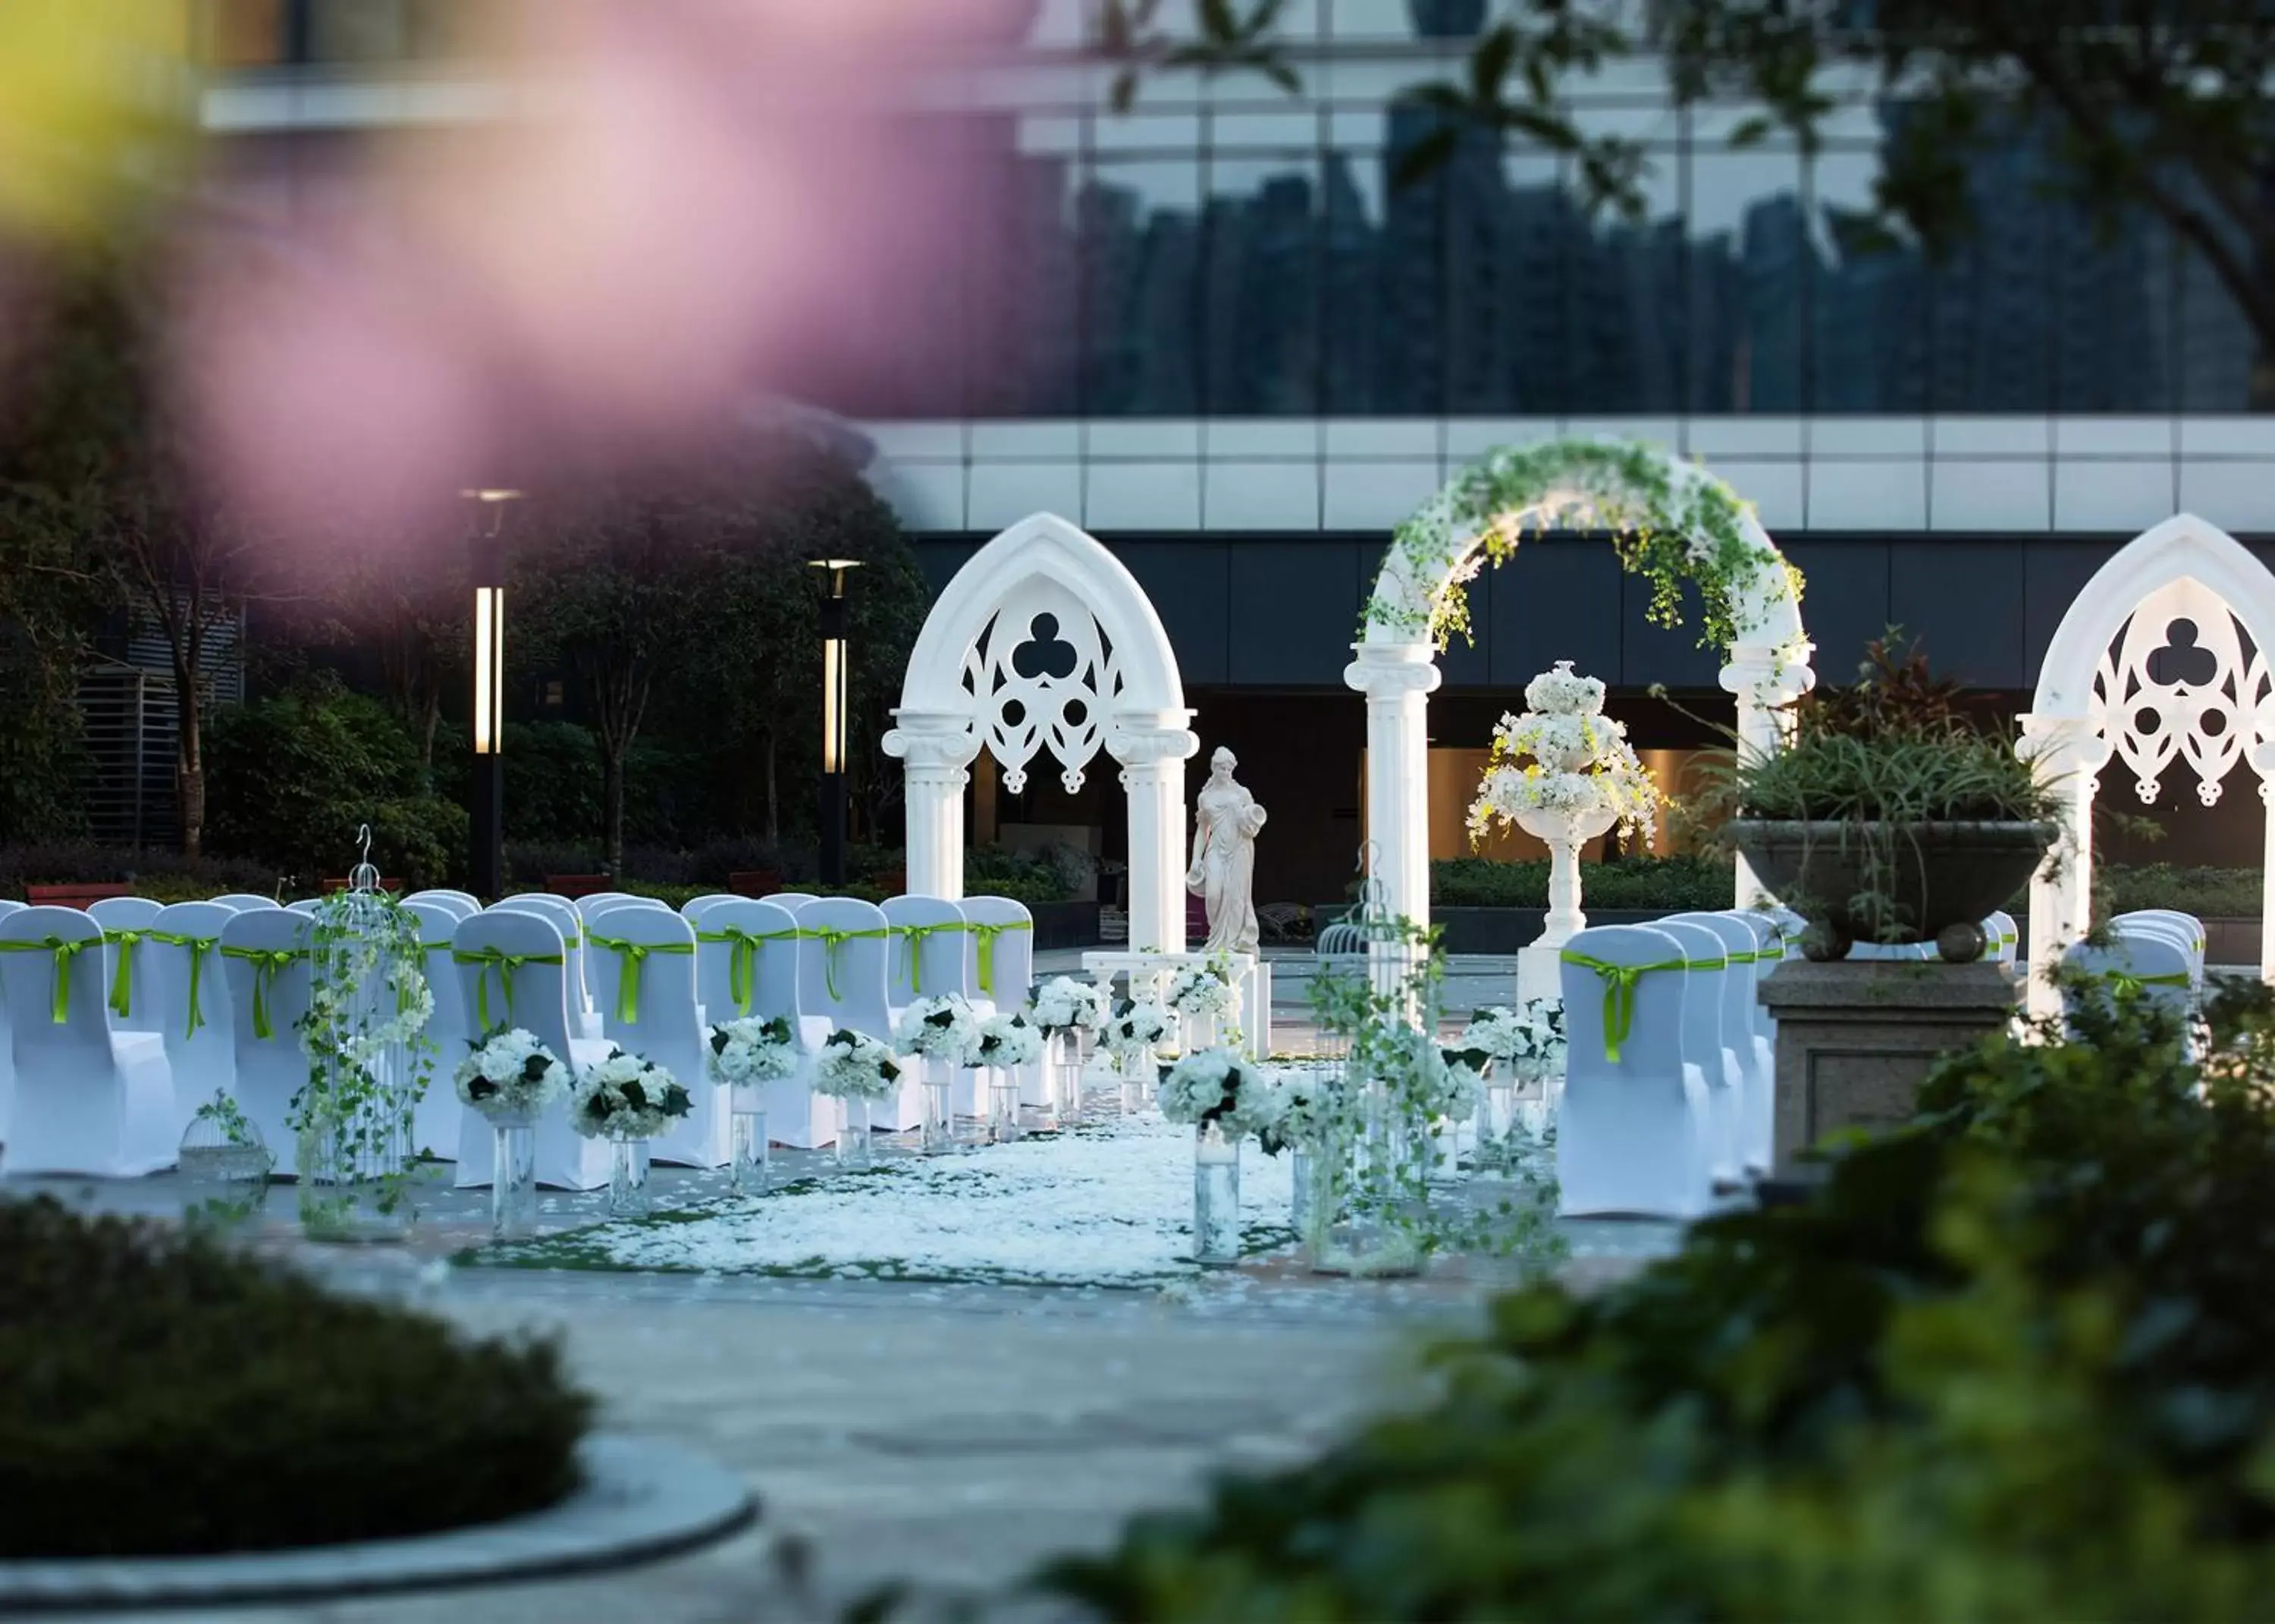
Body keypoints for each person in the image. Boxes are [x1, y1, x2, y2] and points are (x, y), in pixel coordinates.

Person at [1185, 747, 1266, 955]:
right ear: (1214, 768)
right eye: (1222, 767)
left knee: (1236, 896)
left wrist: (1245, 815)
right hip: (1215, 849)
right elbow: (1203, 830)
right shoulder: (1205, 797)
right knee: (1213, 895)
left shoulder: (1242, 793)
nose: (1226, 771)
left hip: (1240, 848)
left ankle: (1232, 944)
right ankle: (1216, 939)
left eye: (1229, 768)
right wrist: (1196, 858)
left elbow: (1253, 825)